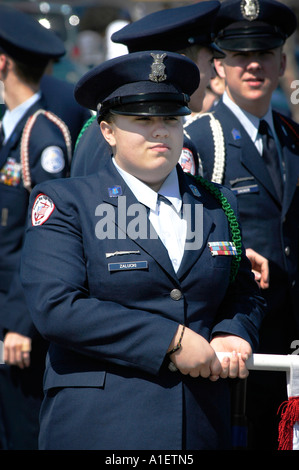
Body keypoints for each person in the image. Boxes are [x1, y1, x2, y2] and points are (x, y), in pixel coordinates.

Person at [20, 50, 266, 450]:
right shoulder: (67, 201)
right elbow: (57, 306)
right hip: (100, 426)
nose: (160, 131)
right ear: (107, 130)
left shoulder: (216, 203)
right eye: (142, 119)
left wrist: (232, 332)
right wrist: (170, 340)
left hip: (199, 424)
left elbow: (242, 290)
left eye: (170, 118)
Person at [183, 0, 299, 449]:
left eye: (265, 53)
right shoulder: (200, 140)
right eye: (239, 56)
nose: (253, 65)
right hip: (235, 344)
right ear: (219, 66)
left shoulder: (291, 137)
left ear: (282, 61)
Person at [0, 4, 72, 449]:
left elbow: (45, 238)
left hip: (17, 329)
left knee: (22, 435)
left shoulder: (40, 135)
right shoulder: (11, 127)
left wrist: (19, 324)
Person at [70, 0, 225, 178]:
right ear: (182, 64)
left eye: (170, 119)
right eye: (209, 63)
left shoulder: (102, 127)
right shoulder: (159, 146)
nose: (214, 75)